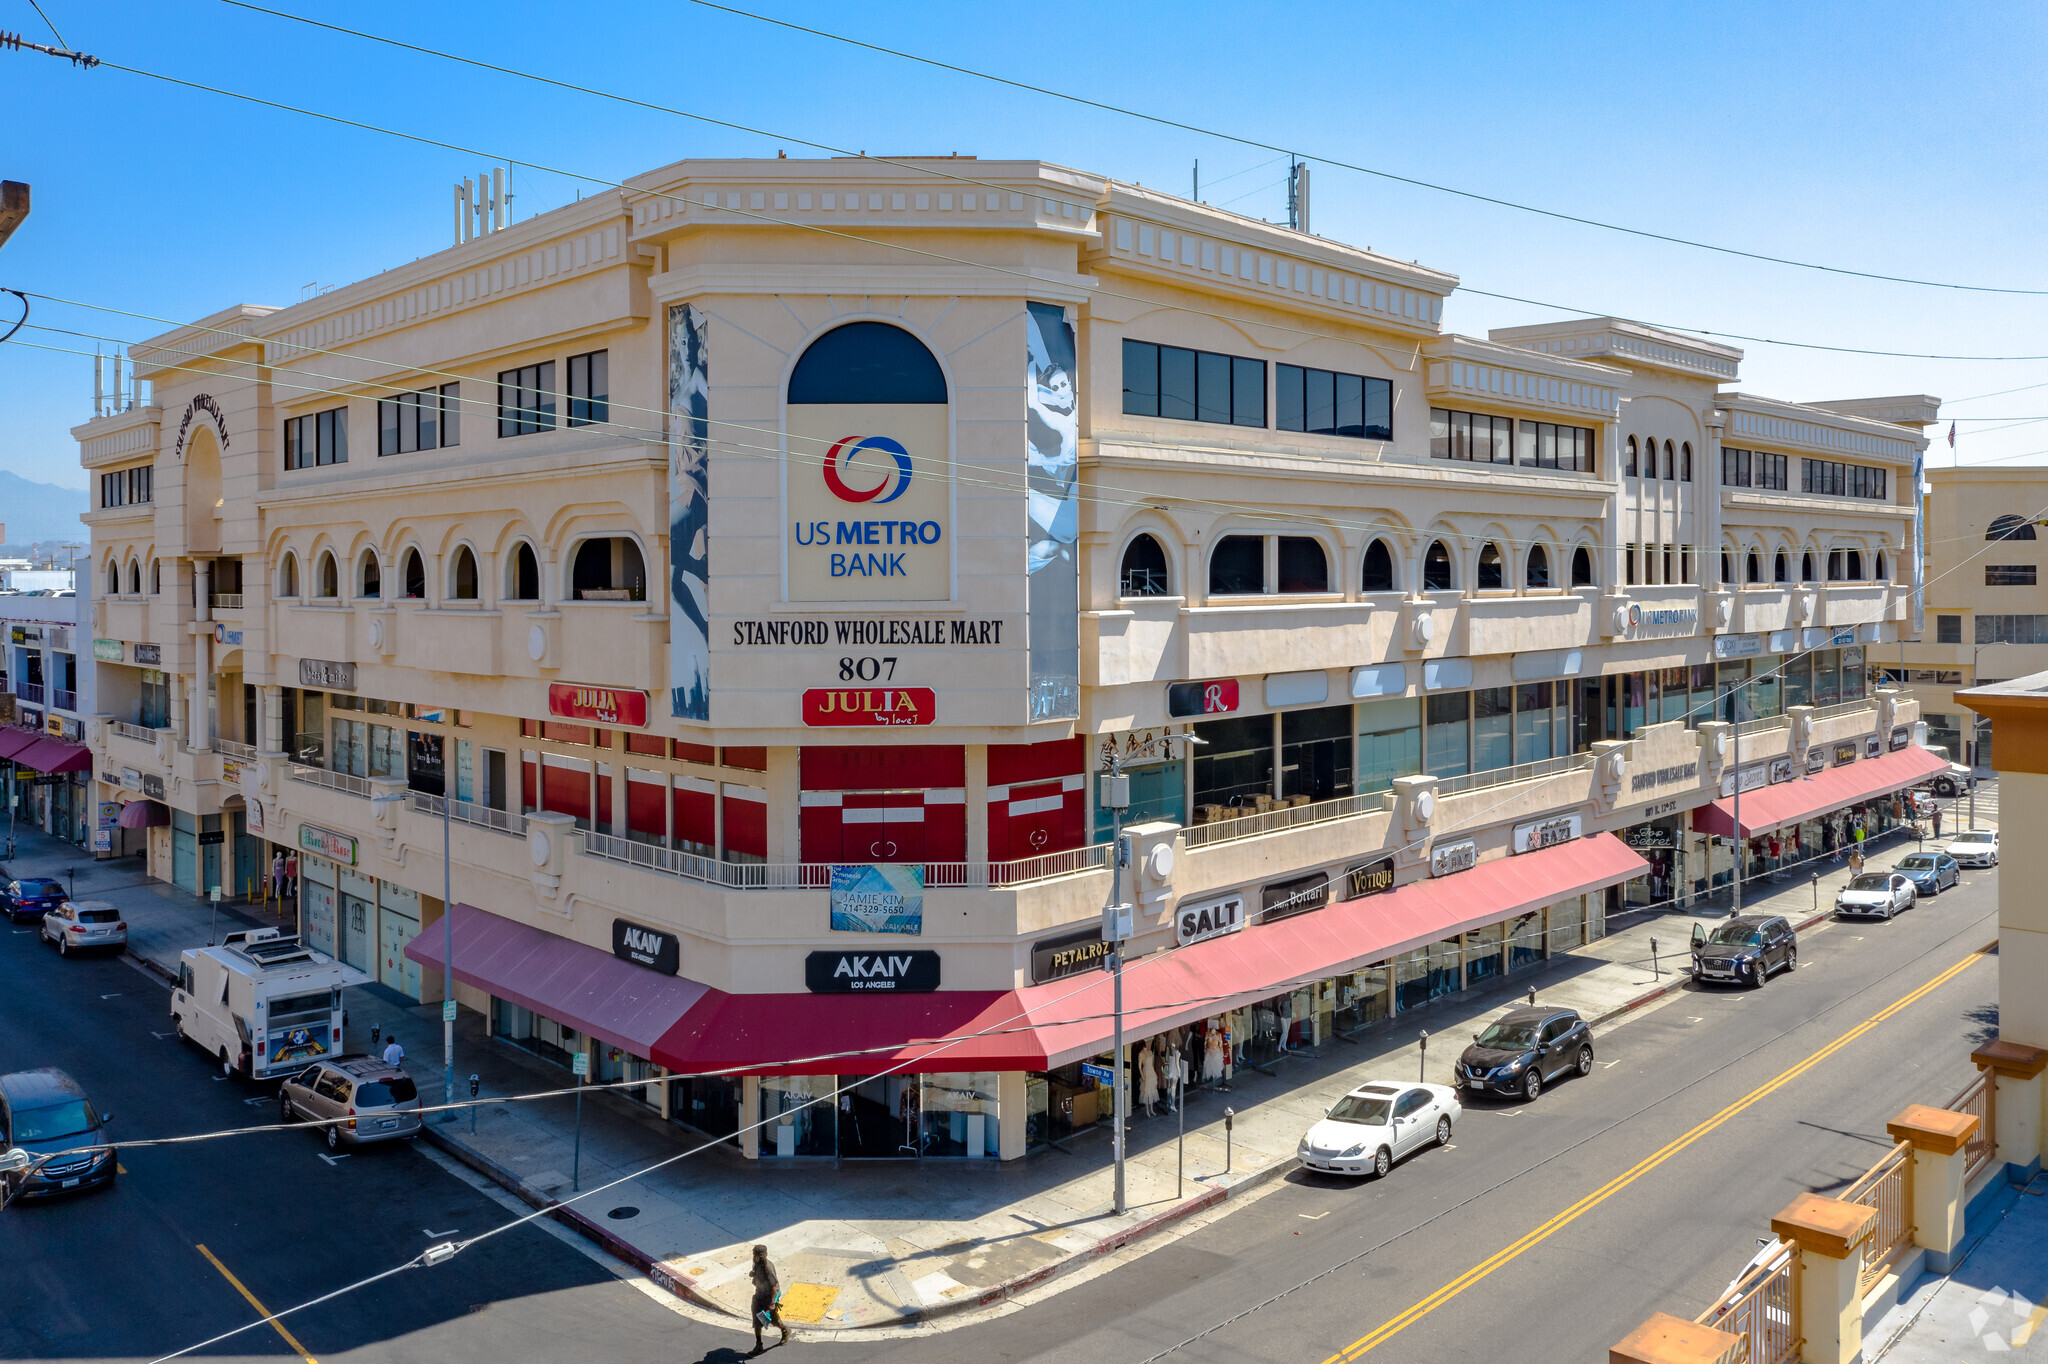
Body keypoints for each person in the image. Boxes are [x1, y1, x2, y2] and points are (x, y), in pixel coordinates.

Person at [750, 1244, 789, 1351]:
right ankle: (759, 1344)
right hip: (758, 1296)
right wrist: (753, 1273)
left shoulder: (768, 1268)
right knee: (757, 1321)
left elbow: (774, 1287)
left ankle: (785, 1330)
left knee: (773, 1321)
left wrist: (772, 1303)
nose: (755, 1257)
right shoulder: (757, 1263)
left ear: (763, 1256)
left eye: (758, 1256)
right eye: (755, 1255)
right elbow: (755, 1271)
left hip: (769, 1298)